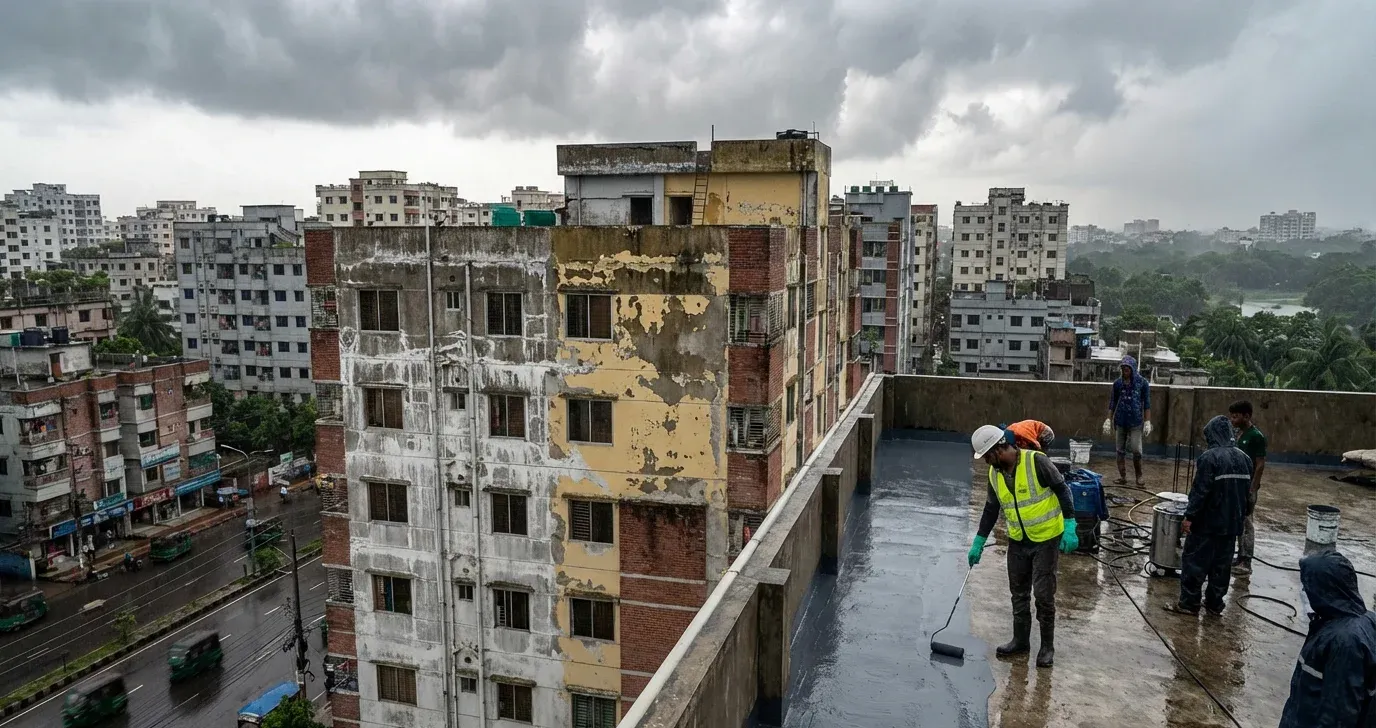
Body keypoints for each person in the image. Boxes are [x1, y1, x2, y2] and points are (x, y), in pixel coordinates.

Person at [967, 424, 1079, 668]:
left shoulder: (1036, 461)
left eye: (987, 456)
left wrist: (1070, 525)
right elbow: (991, 509)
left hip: (1046, 539)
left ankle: (1047, 647)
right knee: (1018, 593)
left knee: (1043, 594)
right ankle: (1020, 641)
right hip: (1018, 540)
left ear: (999, 448)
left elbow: (1062, 489)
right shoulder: (995, 474)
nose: (987, 462)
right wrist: (979, 541)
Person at [1278, 549, 1376, 727]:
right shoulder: (1357, 619)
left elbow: (1339, 714)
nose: (1303, 591)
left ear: (1325, 590)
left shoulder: (1345, 641)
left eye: (1307, 586)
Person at [1165, 416, 1251, 616]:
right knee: (1221, 566)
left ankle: (1189, 603)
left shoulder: (1209, 458)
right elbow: (1248, 494)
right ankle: (1214, 604)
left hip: (1208, 524)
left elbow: (1200, 491)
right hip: (1232, 525)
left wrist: (1189, 516)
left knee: (1195, 562)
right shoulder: (1244, 458)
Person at [1227, 400, 1267, 576]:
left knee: (1247, 522)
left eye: (1236, 416)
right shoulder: (1240, 434)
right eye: (1232, 416)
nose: (1233, 420)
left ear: (1247, 416)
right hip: (1239, 484)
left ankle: (1246, 561)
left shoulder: (1256, 437)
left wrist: (1253, 488)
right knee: (1238, 519)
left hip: (1248, 485)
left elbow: (1260, 465)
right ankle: (1240, 556)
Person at [1105, 355, 1152, 485]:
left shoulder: (1142, 383)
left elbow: (1147, 403)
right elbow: (1112, 402)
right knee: (1120, 450)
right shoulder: (1118, 384)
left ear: (1133, 369)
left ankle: (1139, 476)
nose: (1125, 371)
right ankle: (1123, 476)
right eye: (1123, 368)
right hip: (1120, 421)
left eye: (1128, 368)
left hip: (1136, 422)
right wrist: (1108, 419)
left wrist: (1147, 421)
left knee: (1136, 450)